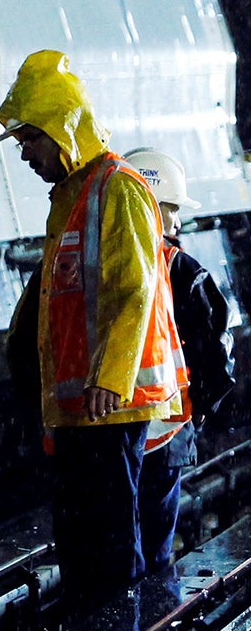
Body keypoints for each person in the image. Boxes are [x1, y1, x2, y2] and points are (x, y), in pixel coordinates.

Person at [0, 50, 186, 610]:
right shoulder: (72, 198)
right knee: (83, 543)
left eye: (31, 140)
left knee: (108, 544)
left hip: (111, 406)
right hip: (81, 408)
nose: (26, 155)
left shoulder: (116, 187)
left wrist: (111, 377)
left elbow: (136, 288)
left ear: (63, 130)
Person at [124, 147, 236, 574]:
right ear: (151, 209)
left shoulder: (100, 264)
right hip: (166, 433)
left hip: (105, 439)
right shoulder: (182, 268)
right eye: (170, 210)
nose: (176, 222)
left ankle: (121, 630)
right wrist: (200, 412)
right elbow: (215, 353)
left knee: (118, 549)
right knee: (155, 550)